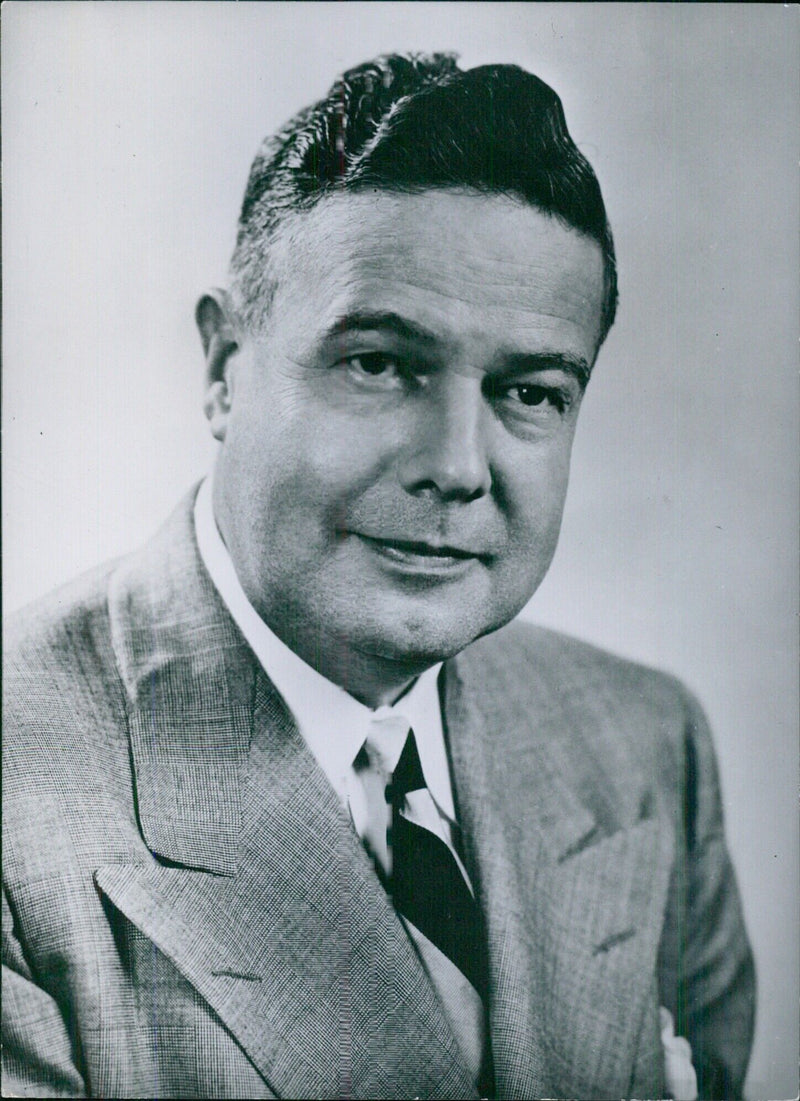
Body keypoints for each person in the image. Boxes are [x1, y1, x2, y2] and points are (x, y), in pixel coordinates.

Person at [2, 54, 754, 1100]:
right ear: (223, 368)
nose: (454, 465)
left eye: (529, 392)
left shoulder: (643, 747)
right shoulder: (18, 798)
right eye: (378, 364)